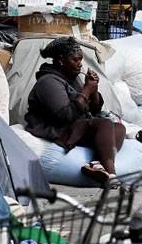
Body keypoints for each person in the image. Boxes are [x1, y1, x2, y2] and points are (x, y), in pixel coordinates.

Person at [24, 37, 125, 184]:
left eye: (81, 60)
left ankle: (96, 165)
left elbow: (94, 110)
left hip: (76, 124)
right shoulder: (48, 82)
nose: (80, 65)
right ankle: (111, 174)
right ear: (61, 60)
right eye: (75, 60)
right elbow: (64, 115)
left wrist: (94, 90)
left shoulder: (72, 78)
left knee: (119, 128)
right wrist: (86, 91)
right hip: (56, 128)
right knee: (104, 124)